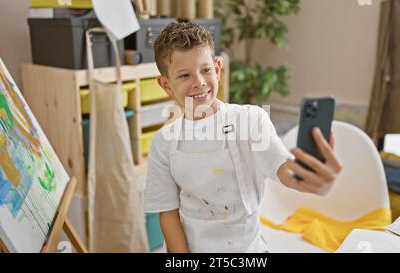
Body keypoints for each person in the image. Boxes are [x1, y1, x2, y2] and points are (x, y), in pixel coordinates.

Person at [145, 21, 343, 253]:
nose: (199, 82)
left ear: (217, 68)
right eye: (185, 75)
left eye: (206, 70)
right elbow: (168, 215)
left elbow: (283, 167)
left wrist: (310, 179)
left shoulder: (251, 120)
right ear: (165, 84)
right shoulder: (163, 142)